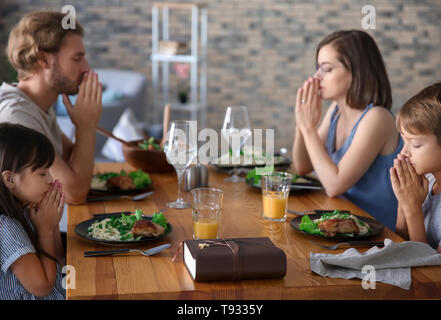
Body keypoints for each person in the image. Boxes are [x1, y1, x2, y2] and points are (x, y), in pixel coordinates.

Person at [292, 30, 402, 230]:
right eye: (318, 68)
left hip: (378, 237)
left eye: (327, 69)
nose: (316, 77)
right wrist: (302, 124)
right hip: (342, 225)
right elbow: (303, 166)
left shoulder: (377, 118)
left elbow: (333, 185)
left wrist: (309, 129)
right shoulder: (335, 110)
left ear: (356, 71)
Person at [0, 10, 102, 205]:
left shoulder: (38, 105)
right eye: (77, 58)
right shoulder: (17, 114)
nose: (87, 68)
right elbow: (74, 192)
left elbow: (79, 165)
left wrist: (84, 122)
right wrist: (86, 127)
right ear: (44, 59)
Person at [0, 123, 65, 299]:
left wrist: (53, 223)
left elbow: (59, 260)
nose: (51, 180)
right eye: (43, 173)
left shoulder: (27, 208)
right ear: (10, 179)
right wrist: (45, 230)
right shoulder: (6, 228)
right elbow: (43, 287)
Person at [390, 82, 441, 253]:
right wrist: (403, 201)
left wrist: (413, 208)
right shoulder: (428, 181)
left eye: (416, 145)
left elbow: (431, 270)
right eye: (404, 142)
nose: (404, 153)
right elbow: (400, 242)